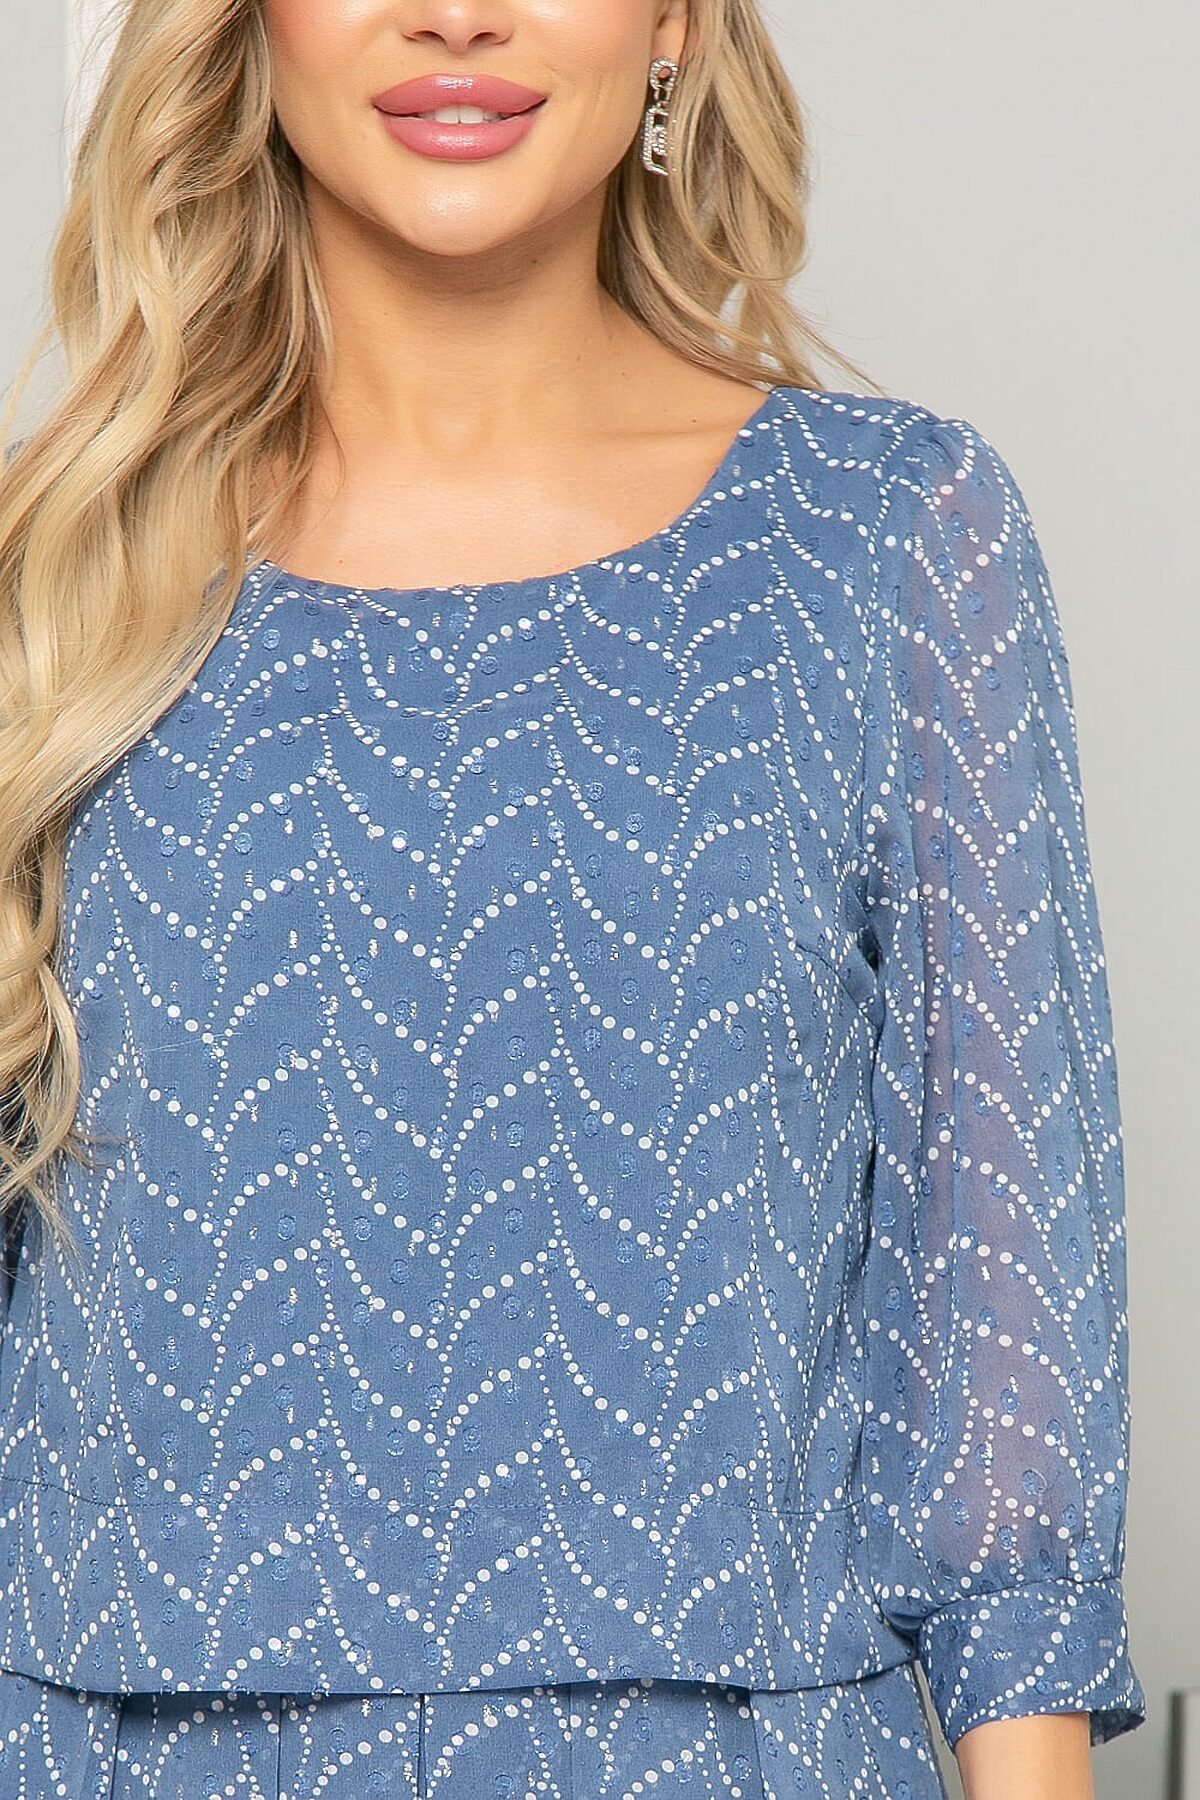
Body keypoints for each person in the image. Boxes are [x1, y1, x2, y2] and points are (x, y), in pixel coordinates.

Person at [0, 1, 1147, 1796]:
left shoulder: (889, 540)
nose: (458, 12)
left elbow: (1004, 1329)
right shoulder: (56, 584)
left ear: (676, 21)